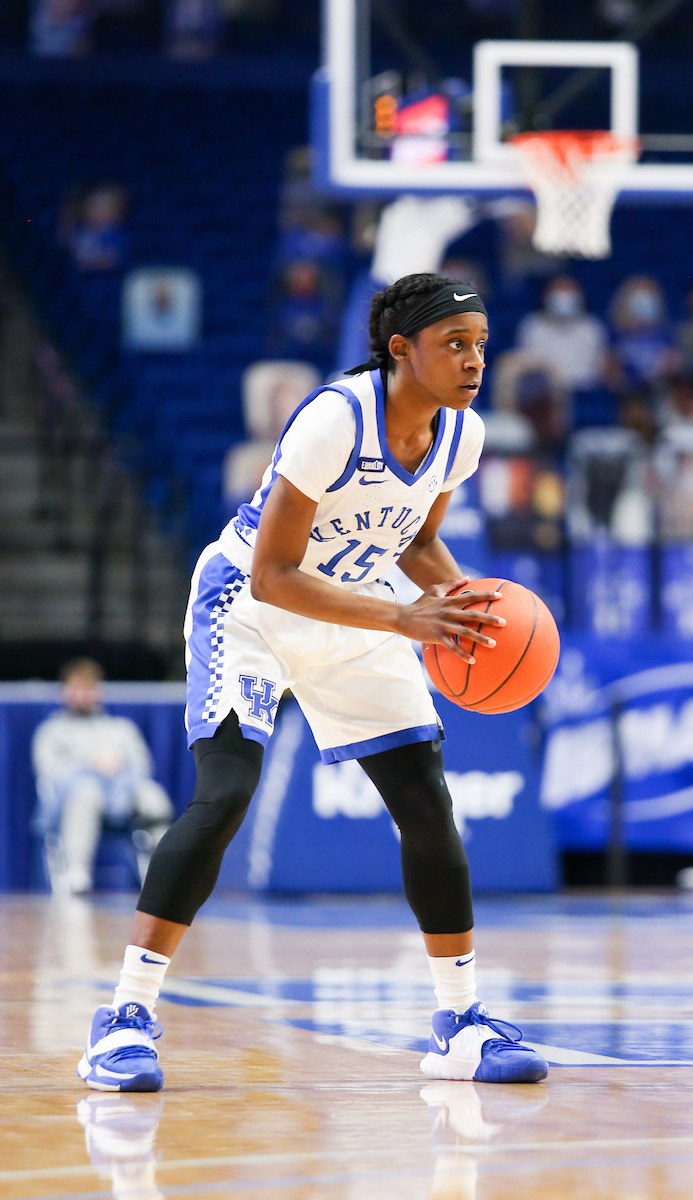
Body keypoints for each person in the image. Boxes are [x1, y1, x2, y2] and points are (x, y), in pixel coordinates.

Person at [77, 273, 549, 1092]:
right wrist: (406, 620)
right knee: (225, 795)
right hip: (252, 608)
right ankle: (124, 1018)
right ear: (401, 350)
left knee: (427, 800)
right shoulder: (337, 418)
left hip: (357, 610)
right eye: (454, 345)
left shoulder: (460, 434)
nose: (475, 361)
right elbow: (273, 575)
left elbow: (413, 541)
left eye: (480, 344)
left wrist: (462, 601)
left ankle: (460, 1023)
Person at [33, 659, 173, 896]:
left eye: (89, 688)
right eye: (77, 688)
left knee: (151, 795)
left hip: (121, 795)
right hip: (71, 803)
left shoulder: (120, 728)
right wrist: (89, 764)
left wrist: (119, 768)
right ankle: (77, 873)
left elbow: (142, 764)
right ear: (65, 691)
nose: (84, 695)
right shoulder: (52, 731)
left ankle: (163, 874)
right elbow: (49, 772)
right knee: (87, 793)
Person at [515, 276, 608, 392]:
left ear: (580, 296)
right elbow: (528, 365)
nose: (563, 297)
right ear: (546, 296)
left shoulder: (593, 327)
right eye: (558, 291)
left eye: (568, 291)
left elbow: (599, 369)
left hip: (584, 392)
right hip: (545, 393)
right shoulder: (532, 326)